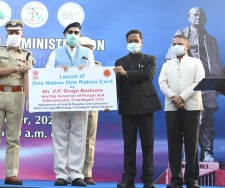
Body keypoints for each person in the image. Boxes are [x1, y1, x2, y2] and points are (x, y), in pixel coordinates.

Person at [165, 7, 222, 162]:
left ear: (205, 19)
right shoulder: (181, 34)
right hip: (188, 85)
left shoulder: (211, 39)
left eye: (201, 15)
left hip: (208, 83)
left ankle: (207, 153)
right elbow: (170, 59)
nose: (198, 17)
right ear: (188, 17)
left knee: (208, 121)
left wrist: (217, 84)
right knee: (190, 121)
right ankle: (188, 154)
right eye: (195, 15)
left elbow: (216, 63)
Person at [0, 19, 33, 185]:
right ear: (6, 34)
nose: (14, 35)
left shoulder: (27, 54)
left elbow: (27, 77)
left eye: (17, 33)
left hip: (17, 96)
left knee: (13, 138)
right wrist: (16, 68)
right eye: (11, 33)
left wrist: (29, 99)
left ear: (22, 35)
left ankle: (11, 174)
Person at [45, 22, 95, 187]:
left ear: (80, 36)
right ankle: (61, 174)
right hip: (59, 102)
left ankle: (75, 174)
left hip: (80, 102)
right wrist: (57, 71)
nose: (73, 35)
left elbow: (94, 76)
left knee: (79, 138)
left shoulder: (87, 53)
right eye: (70, 32)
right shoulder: (56, 53)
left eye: (76, 32)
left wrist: (86, 71)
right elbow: (47, 74)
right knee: (59, 137)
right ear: (65, 35)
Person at [113, 30, 162, 188]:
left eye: (136, 40)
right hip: (127, 107)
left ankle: (148, 178)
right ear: (127, 43)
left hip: (146, 107)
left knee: (148, 144)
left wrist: (126, 73)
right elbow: (117, 85)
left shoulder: (150, 59)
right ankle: (128, 177)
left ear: (142, 42)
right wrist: (110, 102)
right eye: (130, 41)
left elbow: (147, 74)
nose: (133, 43)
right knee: (129, 144)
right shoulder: (119, 61)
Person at [159, 35, 205, 188]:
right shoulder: (167, 65)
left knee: (192, 142)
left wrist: (182, 97)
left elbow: (200, 81)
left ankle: (192, 179)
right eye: (174, 44)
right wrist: (174, 97)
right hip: (171, 108)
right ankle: (176, 180)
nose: (176, 46)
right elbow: (162, 83)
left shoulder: (196, 62)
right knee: (174, 143)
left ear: (187, 46)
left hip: (191, 107)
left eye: (180, 44)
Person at [79, 37, 101, 185]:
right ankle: (70, 173)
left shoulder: (98, 67)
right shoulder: (68, 65)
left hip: (92, 106)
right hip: (72, 106)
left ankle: (86, 173)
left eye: (91, 49)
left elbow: (103, 87)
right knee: (70, 140)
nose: (89, 51)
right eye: (85, 48)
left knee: (89, 140)